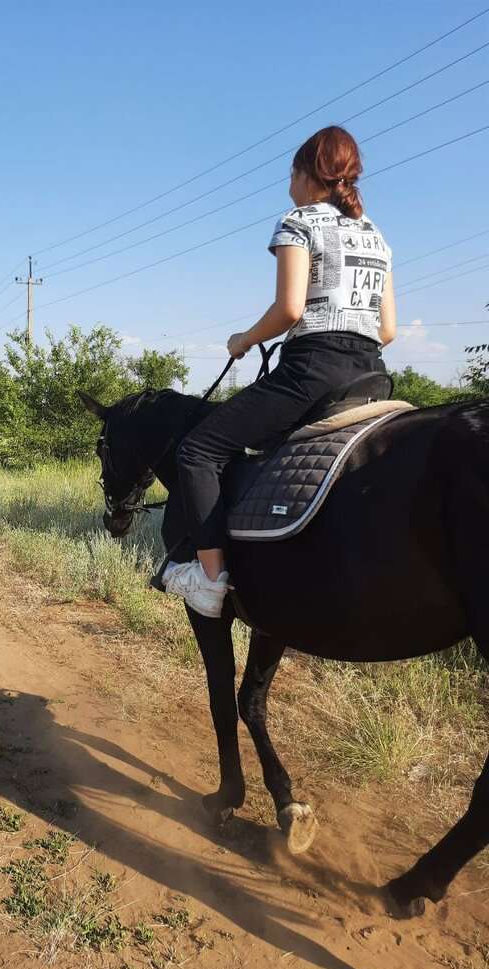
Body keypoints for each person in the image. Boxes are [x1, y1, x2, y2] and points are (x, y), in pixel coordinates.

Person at [161, 125, 396, 618]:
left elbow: (289, 310)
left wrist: (243, 340)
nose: (288, 184)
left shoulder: (298, 222)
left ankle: (207, 581)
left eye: (291, 173)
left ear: (308, 174)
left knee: (198, 449)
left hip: (313, 371)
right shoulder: (376, 236)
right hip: (371, 372)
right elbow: (388, 329)